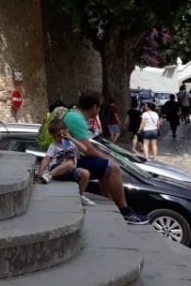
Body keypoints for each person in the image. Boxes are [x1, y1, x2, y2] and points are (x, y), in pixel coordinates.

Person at [63, 91, 149, 224]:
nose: (100, 110)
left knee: (103, 166)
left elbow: (86, 146)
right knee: (113, 167)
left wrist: (103, 157)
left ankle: (110, 203)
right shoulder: (77, 119)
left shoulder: (75, 115)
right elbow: (89, 150)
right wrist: (109, 158)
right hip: (66, 162)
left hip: (71, 158)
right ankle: (125, 210)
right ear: (94, 107)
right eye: (100, 107)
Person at [37, 119, 95, 206]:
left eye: (59, 135)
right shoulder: (54, 145)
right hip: (56, 170)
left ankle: (80, 196)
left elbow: (85, 149)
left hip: (69, 171)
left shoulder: (71, 143)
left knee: (85, 173)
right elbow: (47, 159)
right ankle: (49, 175)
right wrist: (41, 171)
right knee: (70, 163)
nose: (57, 138)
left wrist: (71, 138)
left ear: (66, 131)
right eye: (55, 137)